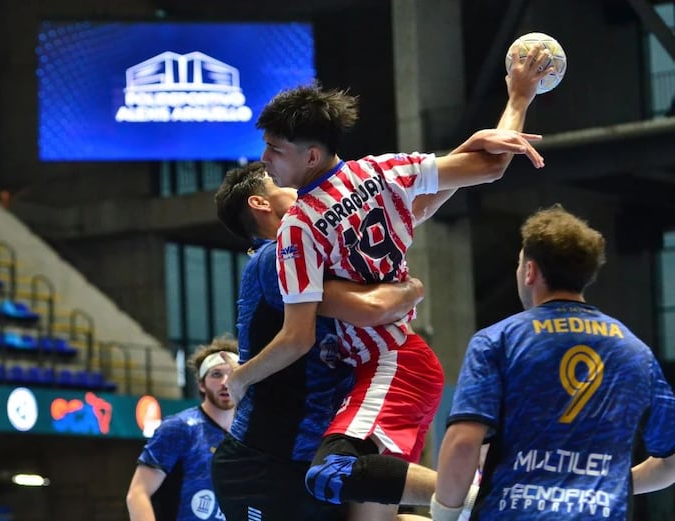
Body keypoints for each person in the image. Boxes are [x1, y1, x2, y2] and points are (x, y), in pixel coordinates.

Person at [224, 45, 552, 520]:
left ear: (311, 155)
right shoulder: (380, 170)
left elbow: (299, 337)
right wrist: (519, 97)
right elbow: (488, 167)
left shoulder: (298, 227)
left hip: (388, 363)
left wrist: (240, 376)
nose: (265, 158)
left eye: (275, 150)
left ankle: (496, 496)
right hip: (397, 364)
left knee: (331, 472)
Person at [212, 160, 429, 521]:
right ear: (260, 203)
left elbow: (413, 208)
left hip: (316, 455)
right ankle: (477, 499)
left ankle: (485, 505)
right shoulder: (276, 254)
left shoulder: (318, 244)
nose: (302, 183)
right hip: (265, 462)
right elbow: (375, 307)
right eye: (278, 179)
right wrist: (412, 288)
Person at [431, 205, 675, 521]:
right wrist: (606, 483)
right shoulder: (636, 352)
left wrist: (444, 515)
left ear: (530, 271)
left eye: (519, 264)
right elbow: (670, 462)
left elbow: (464, 444)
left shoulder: (498, 340)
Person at [126, 336, 239, 521]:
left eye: (232, 374)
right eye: (216, 374)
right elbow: (138, 493)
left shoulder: (250, 434)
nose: (225, 382)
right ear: (201, 385)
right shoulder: (178, 428)